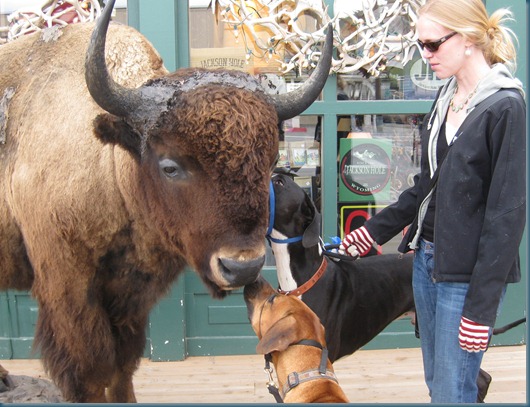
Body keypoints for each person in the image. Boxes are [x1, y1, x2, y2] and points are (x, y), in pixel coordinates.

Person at [338, 0, 526, 403]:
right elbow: (425, 190)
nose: (425, 54)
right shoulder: (444, 100)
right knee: (439, 385)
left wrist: (481, 308)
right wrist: (370, 233)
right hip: (426, 262)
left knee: (451, 392)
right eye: (420, 44)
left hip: (466, 276)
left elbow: (506, 217)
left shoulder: (505, 106)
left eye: (433, 44)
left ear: (470, 39)